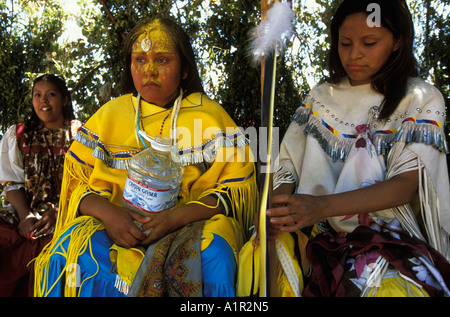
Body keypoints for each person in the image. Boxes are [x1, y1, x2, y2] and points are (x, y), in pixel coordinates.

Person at [237, 0, 450, 297]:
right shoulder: (320, 97)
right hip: (313, 231)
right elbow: (288, 167)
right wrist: (278, 209)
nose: (354, 54)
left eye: (369, 42)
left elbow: (404, 186)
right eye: (345, 43)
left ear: (398, 41)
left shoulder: (420, 98)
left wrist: (321, 206)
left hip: (387, 239)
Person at [34, 17, 257, 297]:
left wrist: (176, 218)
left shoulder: (209, 116)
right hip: (113, 222)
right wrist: (110, 215)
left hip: (191, 221)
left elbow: (232, 192)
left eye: (162, 60)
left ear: (184, 69)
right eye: (139, 60)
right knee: (68, 250)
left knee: (216, 254)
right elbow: (77, 186)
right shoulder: (110, 115)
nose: (149, 70)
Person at [0, 74, 81, 296]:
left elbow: (88, 183)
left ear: (64, 100)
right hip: (26, 213)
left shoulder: (81, 134)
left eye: (51, 94)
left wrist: (58, 211)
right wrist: (25, 216)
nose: (43, 101)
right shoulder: (19, 135)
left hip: (71, 213)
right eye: (37, 95)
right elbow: (12, 183)